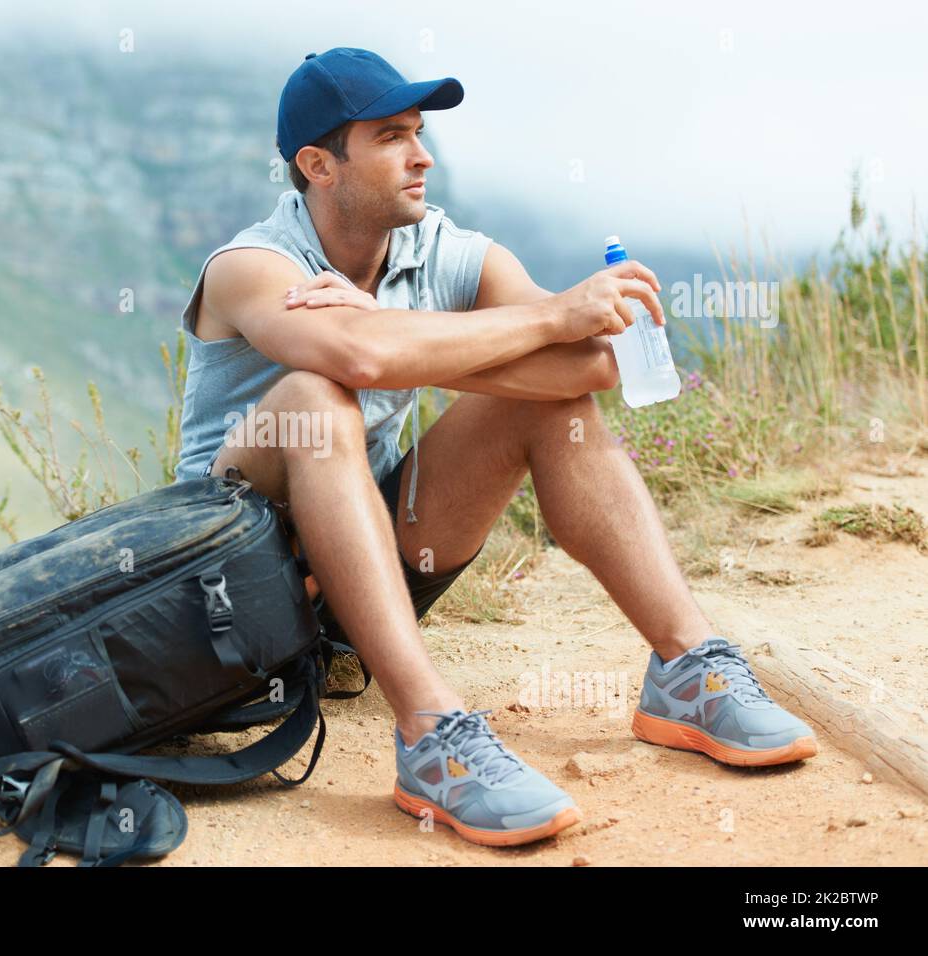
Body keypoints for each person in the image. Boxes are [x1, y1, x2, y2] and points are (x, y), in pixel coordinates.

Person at [173, 47, 817, 847]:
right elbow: (361, 360)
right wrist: (531, 321)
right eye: (391, 136)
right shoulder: (251, 268)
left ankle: (688, 669)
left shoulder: (443, 251)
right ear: (318, 165)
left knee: (553, 406)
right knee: (314, 396)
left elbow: (590, 364)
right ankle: (431, 735)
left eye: (419, 131)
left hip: (366, 582)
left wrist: (423, 336)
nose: (422, 154)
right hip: (229, 599)